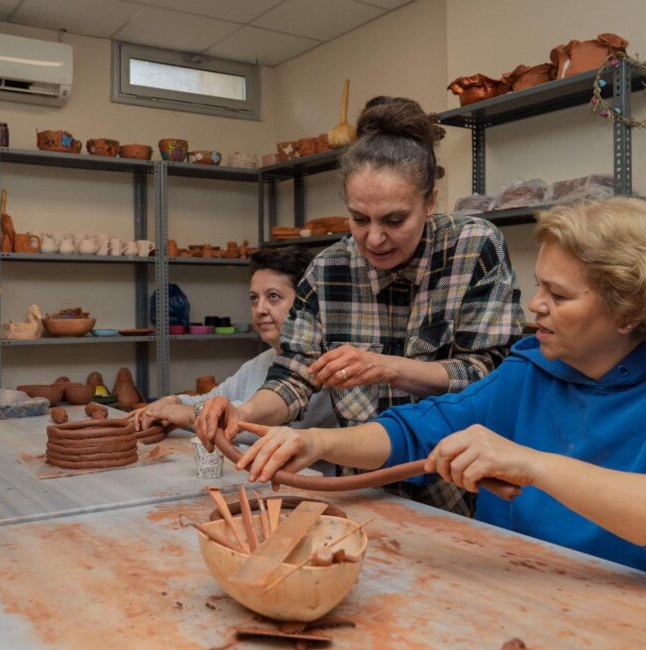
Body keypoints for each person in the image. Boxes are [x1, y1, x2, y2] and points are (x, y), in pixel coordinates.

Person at [227, 197, 646, 605]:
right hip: (525, 612)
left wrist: (537, 465)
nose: (535, 306)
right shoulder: (531, 371)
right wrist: (314, 441)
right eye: (538, 285)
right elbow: (419, 429)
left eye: (558, 295)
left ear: (629, 310)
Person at [196, 96, 525, 514]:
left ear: (430, 202)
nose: (374, 239)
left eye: (394, 220)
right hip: (366, 495)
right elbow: (293, 377)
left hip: (463, 494)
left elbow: (491, 374)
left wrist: (389, 367)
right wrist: (242, 411)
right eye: (359, 219)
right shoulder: (327, 269)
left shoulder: (473, 247)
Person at [133, 246, 337, 433]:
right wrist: (173, 402)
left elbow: (260, 428)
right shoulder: (260, 363)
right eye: (254, 298)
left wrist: (188, 414)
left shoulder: (323, 366)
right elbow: (213, 399)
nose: (260, 309)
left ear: (306, 302)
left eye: (273, 296)